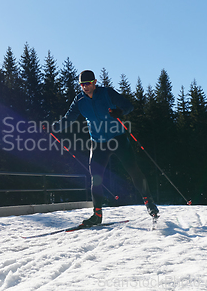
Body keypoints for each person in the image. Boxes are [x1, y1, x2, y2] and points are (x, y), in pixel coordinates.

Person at [52, 70, 159, 226]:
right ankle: (97, 214)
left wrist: (120, 111)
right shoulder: (79, 100)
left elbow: (129, 106)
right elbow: (69, 118)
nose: (85, 87)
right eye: (82, 84)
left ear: (94, 82)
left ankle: (149, 202)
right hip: (98, 143)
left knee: (133, 170)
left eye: (87, 83)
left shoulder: (107, 93)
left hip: (118, 139)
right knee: (95, 178)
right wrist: (55, 127)